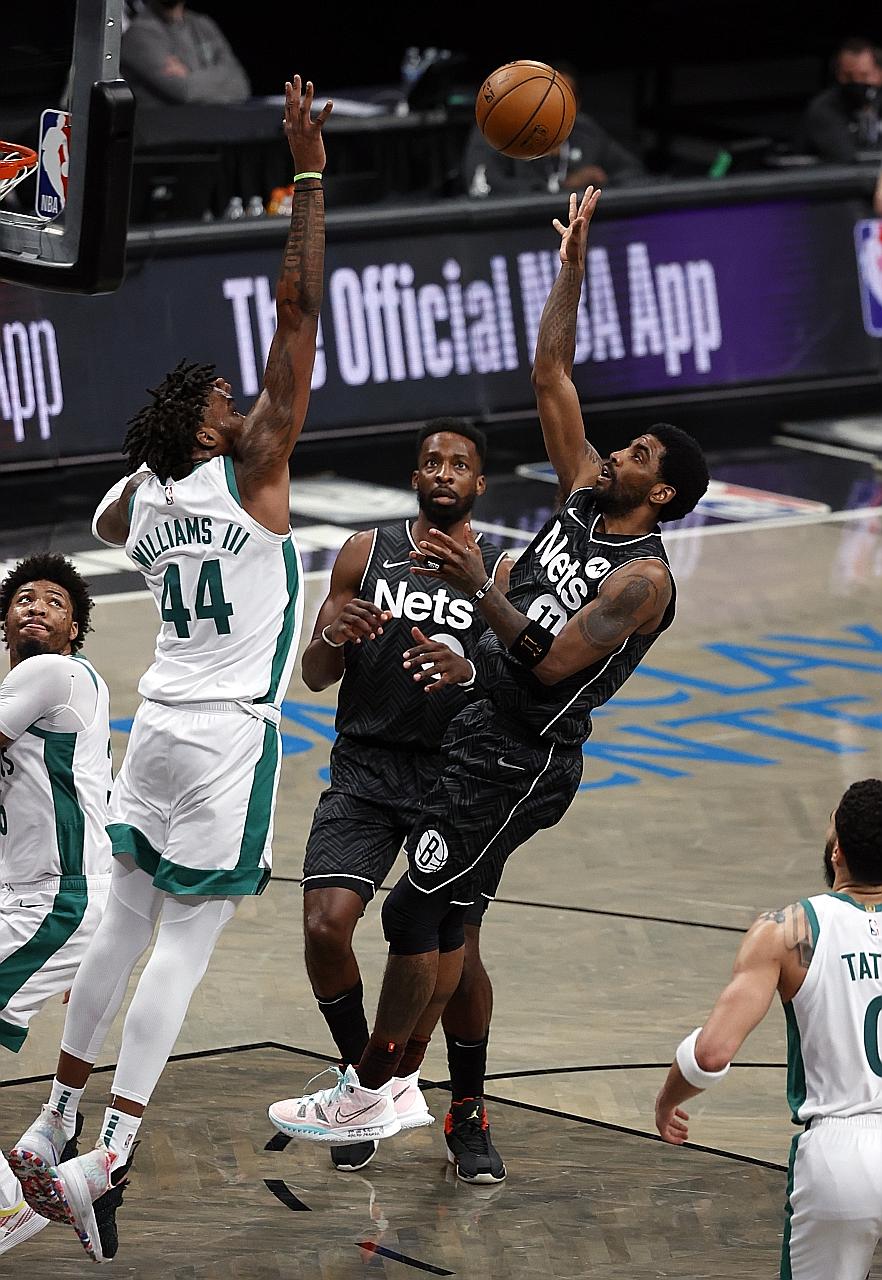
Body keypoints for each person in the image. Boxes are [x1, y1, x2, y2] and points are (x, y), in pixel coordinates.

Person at [267, 185, 710, 1178]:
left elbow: (551, 660)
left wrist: (481, 596)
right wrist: (570, 265)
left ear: (666, 489)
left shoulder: (642, 580)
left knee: (418, 917)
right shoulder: (587, 494)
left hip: (523, 758)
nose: (620, 450)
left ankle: (382, 1091)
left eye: (640, 452)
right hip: (474, 731)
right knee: (440, 923)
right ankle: (415, 1096)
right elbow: (552, 368)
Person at [7, 75, 330, 1263]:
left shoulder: (141, 494)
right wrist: (307, 175)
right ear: (207, 426)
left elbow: (100, 524)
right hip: (226, 734)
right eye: (227, 401)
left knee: (118, 929)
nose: (248, 405)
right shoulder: (251, 475)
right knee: (181, 949)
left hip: (153, 725)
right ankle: (115, 1152)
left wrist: (157, 469)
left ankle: (53, 1116)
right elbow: (299, 311)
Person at [300, 417, 511, 1177]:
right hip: (365, 766)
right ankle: (368, 1086)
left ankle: (467, 1109)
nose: (444, 472)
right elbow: (315, 675)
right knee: (326, 926)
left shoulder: (501, 571)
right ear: (415, 477)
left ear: (479, 484)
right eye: (432, 462)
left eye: (459, 463)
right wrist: (332, 636)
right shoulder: (365, 552)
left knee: (462, 956)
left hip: (457, 780)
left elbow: (525, 681)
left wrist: (473, 676)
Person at [655, 778, 882, 1280]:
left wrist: (666, 1100)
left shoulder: (792, 929)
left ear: (837, 850)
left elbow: (711, 1054)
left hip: (842, 1157)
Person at [0, 555, 110, 1257]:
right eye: (22, 599)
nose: (36, 606)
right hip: (39, 897)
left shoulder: (52, 674)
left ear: (74, 630)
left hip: (55, 899)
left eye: (55, 602)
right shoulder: (30, 683)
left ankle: (14, 1208)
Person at [463, 62, 646, 198]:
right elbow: (482, 186)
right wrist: (562, 188)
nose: (555, 104)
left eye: (565, 97)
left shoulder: (587, 132)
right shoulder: (499, 129)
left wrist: (599, 187)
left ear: (577, 104)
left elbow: (633, 173)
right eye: (546, 95)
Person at [120, 0, 251, 107]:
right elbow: (183, 91)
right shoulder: (138, 34)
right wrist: (220, 79)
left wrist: (189, 75)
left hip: (213, 128)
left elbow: (241, 84)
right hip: (167, 133)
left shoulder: (203, 25)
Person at [798, 36, 882, 162]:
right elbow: (845, 156)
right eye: (848, 76)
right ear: (838, 75)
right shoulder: (823, 108)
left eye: (864, 75)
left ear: (879, 73)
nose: (857, 82)